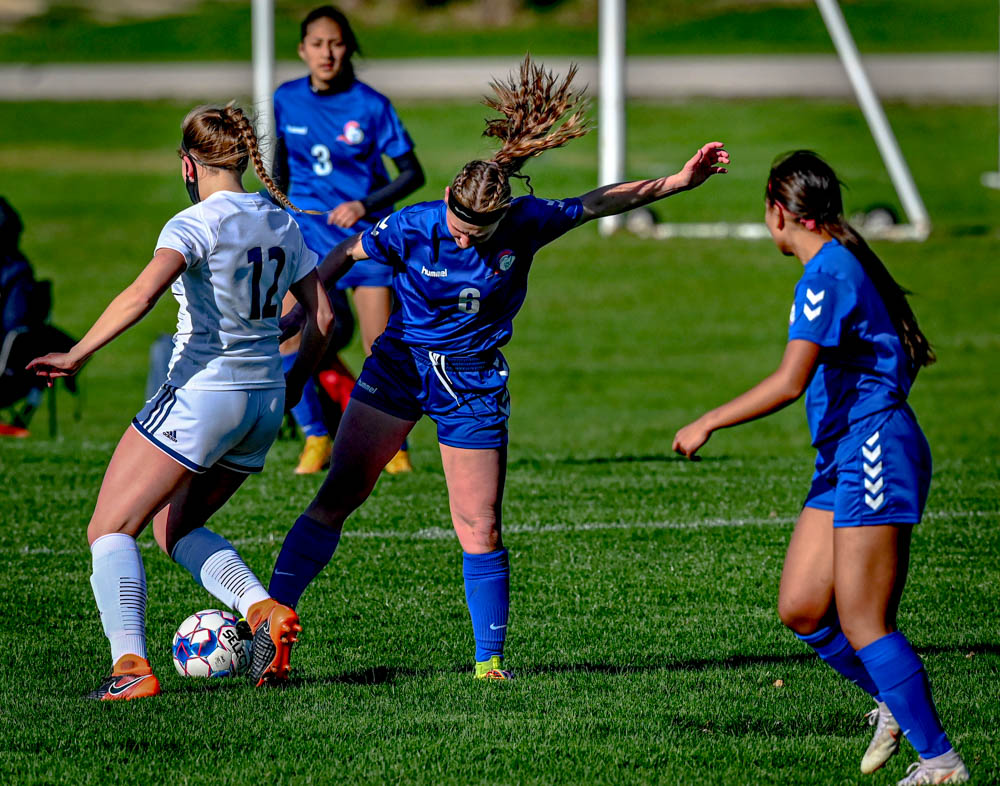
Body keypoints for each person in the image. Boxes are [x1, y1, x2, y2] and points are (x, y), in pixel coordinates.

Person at [267, 56, 729, 681]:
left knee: (479, 524)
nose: (460, 241)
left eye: (474, 235)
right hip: (400, 368)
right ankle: (275, 628)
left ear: (500, 220)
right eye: (456, 228)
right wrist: (303, 310)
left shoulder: (527, 224)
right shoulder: (415, 224)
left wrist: (675, 183)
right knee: (338, 497)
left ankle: (490, 664)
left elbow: (596, 202)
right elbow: (345, 253)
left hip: (472, 382)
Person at [672, 151, 968, 784]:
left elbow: (789, 380)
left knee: (864, 622)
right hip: (843, 456)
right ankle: (893, 700)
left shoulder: (827, 274)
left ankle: (940, 760)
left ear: (780, 213)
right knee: (804, 609)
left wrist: (707, 421)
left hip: (871, 452)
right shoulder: (841, 263)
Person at [27, 103, 334, 700]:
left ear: (188, 164)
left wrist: (77, 353)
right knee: (178, 525)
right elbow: (321, 315)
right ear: (243, 158)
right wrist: (293, 386)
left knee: (110, 528)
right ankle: (263, 608)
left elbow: (143, 293)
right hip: (264, 402)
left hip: (203, 396)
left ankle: (130, 670)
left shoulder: (194, 223)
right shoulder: (282, 223)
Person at [272, 4, 425, 474]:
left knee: (379, 346)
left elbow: (413, 175)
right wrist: (274, 215)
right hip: (311, 242)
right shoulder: (286, 99)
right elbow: (278, 173)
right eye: (317, 44)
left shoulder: (371, 105)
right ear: (302, 50)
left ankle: (392, 445)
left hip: (366, 243)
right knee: (287, 337)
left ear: (348, 48)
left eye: (336, 44)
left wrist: (363, 205)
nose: (327, 53)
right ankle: (317, 436)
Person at [0, 196, 76, 436]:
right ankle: (24, 415)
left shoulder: (14, 269)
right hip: (10, 374)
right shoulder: (16, 269)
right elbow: (17, 321)